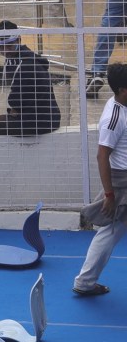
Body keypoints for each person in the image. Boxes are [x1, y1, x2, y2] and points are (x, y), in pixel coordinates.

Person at [72, 63, 127, 298]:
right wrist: (109, 195)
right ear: (123, 90)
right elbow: (101, 155)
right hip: (121, 181)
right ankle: (84, 282)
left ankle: (85, 282)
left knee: (112, 231)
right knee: (110, 231)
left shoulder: (122, 104)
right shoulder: (113, 119)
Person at [0, 22, 61, 136]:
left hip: (40, 122)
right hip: (47, 118)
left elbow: (16, 100)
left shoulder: (26, 64)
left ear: (18, 40)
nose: (6, 51)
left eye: (9, 46)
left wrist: (15, 111)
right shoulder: (22, 58)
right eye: (1, 47)